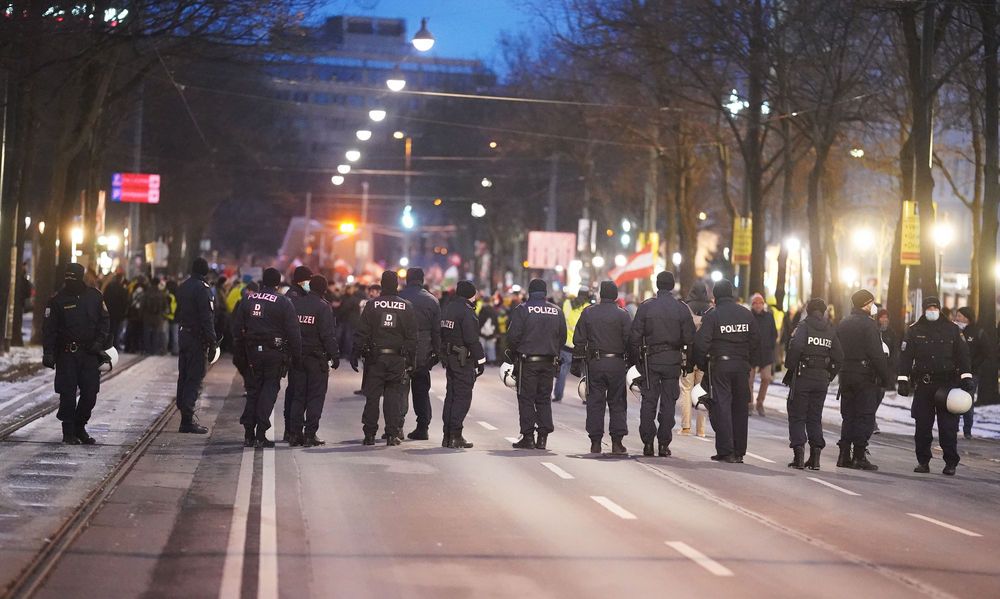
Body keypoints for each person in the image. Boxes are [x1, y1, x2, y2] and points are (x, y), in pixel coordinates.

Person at [897, 297, 974, 475]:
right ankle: (923, 461)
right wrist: (902, 379)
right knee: (922, 426)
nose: (932, 310)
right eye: (929, 307)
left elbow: (963, 356)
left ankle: (951, 462)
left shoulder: (952, 330)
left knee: (948, 427)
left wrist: (966, 377)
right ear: (924, 309)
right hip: (924, 386)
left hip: (947, 385)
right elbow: (906, 357)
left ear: (939, 309)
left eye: (935, 307)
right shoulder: (914, 330)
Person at [42, 263, 112, 444]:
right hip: (67, 355)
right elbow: (49, 329)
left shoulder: (95, 297)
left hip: (89, 353)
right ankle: (68, 431)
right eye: (67, 276)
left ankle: (80, 426)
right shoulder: (57, 300)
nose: (70, 280)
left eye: (73, 276)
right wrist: (48, 352)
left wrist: (98, 343)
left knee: (90, 393)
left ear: (81, 277)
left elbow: (105, 322)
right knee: (67, 393)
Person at [232, 267, 302, 448]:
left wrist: (240, 354)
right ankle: (261, 433)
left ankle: (248, 433)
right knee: (269, 391)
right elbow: (293, 332)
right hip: (274, 353)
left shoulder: (248, 299)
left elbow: (236, 329)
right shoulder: (283, 302)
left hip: (252, 352)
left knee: (253, 390)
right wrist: (296, 355)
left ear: (263, 281)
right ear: (278, 284)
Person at [692, 279, 759, 463]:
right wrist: (747, 361)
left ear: (716, 296)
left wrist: (701, 364)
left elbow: (701, 343)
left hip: (720, 366)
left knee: (721, 408)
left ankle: (726, 451)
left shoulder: (714, 316)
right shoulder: (746, 315)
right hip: (741, 366)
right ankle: (739, 451)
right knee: (739, 408)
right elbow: (756, 341)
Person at [629, 271, 695, 457]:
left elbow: (634, 337)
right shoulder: (681, 308)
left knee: (648, 402)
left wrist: (636, 363)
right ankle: (664, 444)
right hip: (672, 361)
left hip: (651, 361)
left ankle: (648, 442)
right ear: (672, 286)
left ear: (657, 285)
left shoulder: (646, 307)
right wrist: (687, 364)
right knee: (668, 404)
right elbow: (690, 339)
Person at [352, 271, 418, 446]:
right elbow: (412, 337)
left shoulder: (372, 305)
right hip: (397, 358)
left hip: (375, 358)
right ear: (397, 285)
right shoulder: (407, 306)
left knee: (372, 397)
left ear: (381, 284)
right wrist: (411, 360)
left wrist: (354, 353)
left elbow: (362, 332)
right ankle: (391, 434)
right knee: (393, 396)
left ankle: (369, 434)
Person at [782, 298, 843, 470]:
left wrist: (790, 367)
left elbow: (796, 348)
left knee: (797, 414)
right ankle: (815, 458)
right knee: (815, 416)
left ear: (808, 310)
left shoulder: (803, 327)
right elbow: (839, 356)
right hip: (821, 380)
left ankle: (799, 455)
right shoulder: (830, 329)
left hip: (803, 376)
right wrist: (829, 375)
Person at [505, 278, 566, 450]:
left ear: (529, 292)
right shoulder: (557, 311)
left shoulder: (523, 309)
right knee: (544, 399)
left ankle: (528, 437)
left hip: (528, 361)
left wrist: (515, 353)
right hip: (549, 362)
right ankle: (543, 438)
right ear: (545, 293)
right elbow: (562, 338)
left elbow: (512, 337)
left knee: (526, 399)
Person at [574, 280, 632, 455]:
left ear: (600, 294)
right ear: (615, 296)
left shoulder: (589, 313)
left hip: (596, 363)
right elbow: (630, 340)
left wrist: (578, 362)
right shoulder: (623, 315)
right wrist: (631, 363)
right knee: (618, 403)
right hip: (617, 363)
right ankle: (617, 443)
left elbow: (579, 339)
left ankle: (595, 442)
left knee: (595, 403)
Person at [835, 289, 891, 470]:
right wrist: (886, 377)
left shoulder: (844, 322)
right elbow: (876, 354)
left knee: (848, 415)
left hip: (845, 374)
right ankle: (859, 455)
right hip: (864, 376)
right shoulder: (869, 325)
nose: (873, 306)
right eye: (871, 303)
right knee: (864, 415)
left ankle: (844, 455)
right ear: (866, 304)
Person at [287, 274, 339, 447]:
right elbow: (327, 335)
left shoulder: (296, 303)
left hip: (298, 356)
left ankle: (294, 434)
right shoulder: (323, 307)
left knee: (298, 395)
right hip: (317, 359)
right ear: (324, 289)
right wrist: (335, 355)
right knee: (315, 396)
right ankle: (310, 434)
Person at [439, 280, 486, 449]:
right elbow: (472, 339)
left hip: (450, 357)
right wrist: (481, 361)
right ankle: (455, 436)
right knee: (462, 397)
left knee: (451, 396)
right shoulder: (467, 312)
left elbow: (441, 333)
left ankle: (447, 435)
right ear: (469, 294)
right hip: (463, 359)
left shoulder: (448, 308)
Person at [175, 258, 218, 434]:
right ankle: (187, 419)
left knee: (183, 375)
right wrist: (212, 341)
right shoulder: (202, 288)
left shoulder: (184, 286)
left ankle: (183, 409)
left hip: (184, 333)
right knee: (194, 376)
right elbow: (206, 317)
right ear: (205, 271)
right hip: (196, 338)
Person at [398, 267, 442, 440]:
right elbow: (436, 331)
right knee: (422, 390)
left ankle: (397, 425)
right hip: (423, 351)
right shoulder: (432, 300)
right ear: (423, 280)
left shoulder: (399, 298)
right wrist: (437, 352)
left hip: (401, 350)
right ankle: (422, 427)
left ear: (407, 279)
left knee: (400, 388)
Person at [280, 265, 312, 440]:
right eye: (308, 280)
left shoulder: (296, 295)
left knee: (295, 391)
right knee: (295, 391)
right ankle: (291, 428)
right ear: (301, 281)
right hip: (295, 351)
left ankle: (291, 428)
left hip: (295, 350)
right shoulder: (294, 298)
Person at [679, 280, 710, 437]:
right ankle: (701, 429)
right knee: (701, 390)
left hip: (688, 353)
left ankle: (685, 426)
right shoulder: (710, 309)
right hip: (704, 354)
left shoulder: (685, 308)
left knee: (686, 389)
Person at [954, 306, 990, 439]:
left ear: (968, 318)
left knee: (967, 401)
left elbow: (985, 352)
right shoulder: (954, 331)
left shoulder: (977, 333)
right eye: (957, 316)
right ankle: (953, 426)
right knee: (953, 400)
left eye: (961, 316)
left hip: (971, 373)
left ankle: (967, 429)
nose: (958, 319)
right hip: (954, 372)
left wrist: (973, 364)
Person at [555, 288, 590, 403]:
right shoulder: (589, 307)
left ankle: (558, 395)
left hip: (567, 345)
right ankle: (586, 397)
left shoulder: (566, 304)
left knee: (562, 371)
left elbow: (560, 322)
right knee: (586, 373)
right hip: (582, 347)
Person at [749, 293, 777, 416]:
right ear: (752, 304)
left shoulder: (769, 317)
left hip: (766, 353)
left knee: (766, 378)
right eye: (756, 303)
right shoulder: (748, 316)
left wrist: (770, 346)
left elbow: (774, 333)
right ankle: (749, 403)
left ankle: (760, 402)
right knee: (748, 380)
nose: (759, 305)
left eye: (761, 303)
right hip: (751, 353)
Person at [873, 308, 898, 434]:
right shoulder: (874, 331)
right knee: (873, 394)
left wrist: (891, 368)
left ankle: (871, 416)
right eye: (882, 317)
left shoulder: (891, 333)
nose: (884, 320)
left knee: (880, 395)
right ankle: (872, 421)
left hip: (886, 370)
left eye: (886, 317)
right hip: (874, 370)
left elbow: (895, 351)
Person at [103, 271, 128, 350]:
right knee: (116, 330)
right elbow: (125, 302)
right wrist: (124, 313)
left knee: (110, 329)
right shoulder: (122, 289)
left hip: (109, 312)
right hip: (118, 313)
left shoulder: (109, 287)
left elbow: (105, 298)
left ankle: (108, 344)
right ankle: (114, 345)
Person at [478, 299, 499, 364]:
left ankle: (482, 360)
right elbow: (496, 322)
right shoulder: (493, 311)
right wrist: (496, 332)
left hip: (482, 332)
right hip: (491, 332)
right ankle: (491, 361)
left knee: (482, 347)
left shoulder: (482, 310)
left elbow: (479, 321)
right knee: (491, 347)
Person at [165, 279, 179, 356]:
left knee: (168, 334)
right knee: (175, 335)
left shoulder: (169, 295)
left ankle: (168, 349)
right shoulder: (179, 294)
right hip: (176, 317)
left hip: (169, 316)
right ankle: (175, 350)